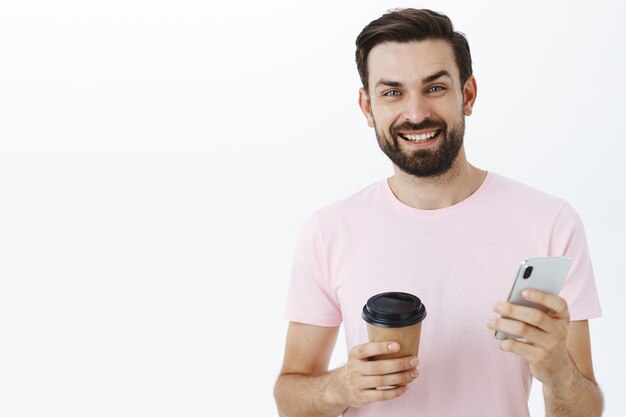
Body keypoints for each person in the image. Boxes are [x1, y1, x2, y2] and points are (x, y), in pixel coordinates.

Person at [273, 8, 603, 417]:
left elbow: (586, 408)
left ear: (467, 94)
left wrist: (557, 373)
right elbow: (290, 397)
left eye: (434, 88)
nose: (415, 113)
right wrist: (340, 387)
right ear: (366, 106)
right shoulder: (329, 230)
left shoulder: (550, 223)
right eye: (392, 92)